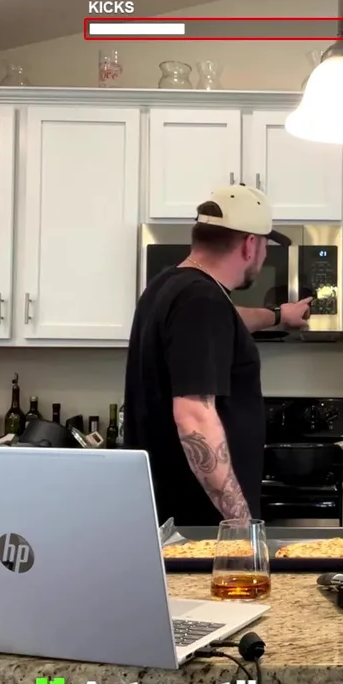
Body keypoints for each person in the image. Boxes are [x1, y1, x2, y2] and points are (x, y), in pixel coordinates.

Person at [123, 184, 312, 527]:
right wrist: (240, 523)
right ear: (250, 244)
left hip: (171, 511)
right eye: (266, 245)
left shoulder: (168, 287)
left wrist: (279, 315)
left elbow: (227, 320)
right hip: (204, 524)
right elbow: (194, 416)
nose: (264, 256)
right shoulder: (201, 301)